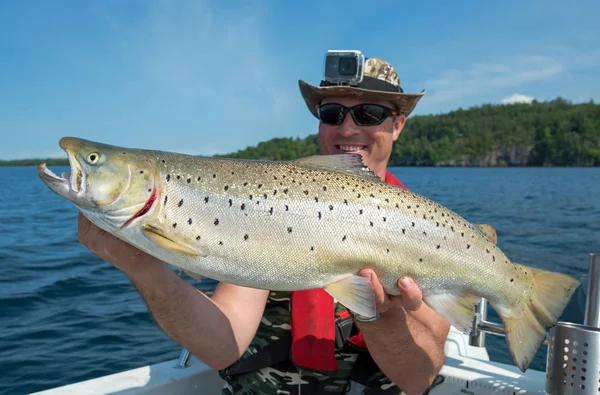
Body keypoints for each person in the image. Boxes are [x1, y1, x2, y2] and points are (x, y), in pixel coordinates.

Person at [76, 54, 450, 395]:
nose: (348, 129)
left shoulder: (434, 234)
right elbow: (222, 346)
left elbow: (418, 379)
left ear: (398, 125)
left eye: (369, 114)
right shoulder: (266, 204)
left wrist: (381, 314)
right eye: (333, 113)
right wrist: (145, 269)